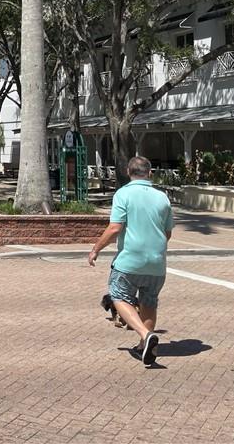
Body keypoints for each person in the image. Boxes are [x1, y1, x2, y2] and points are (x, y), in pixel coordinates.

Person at [88, 156, 174, 365]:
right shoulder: (162, 197)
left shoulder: (123, 194)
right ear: (150, 172)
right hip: (156, 261)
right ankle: (144, 348)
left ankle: (145, 335)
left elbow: (115, 228)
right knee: (149, 301)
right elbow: (167, 232)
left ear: (128, 172)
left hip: (130, 259)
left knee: (118, 295)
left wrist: (95, 249)